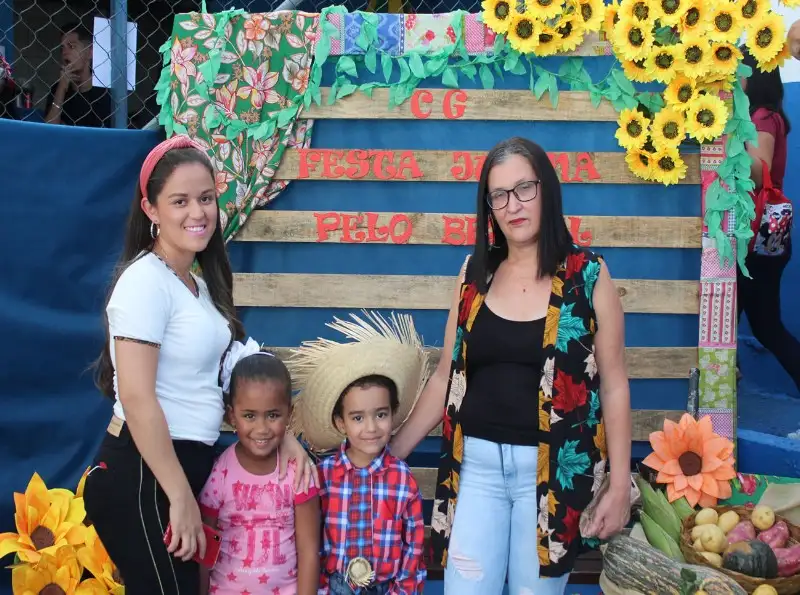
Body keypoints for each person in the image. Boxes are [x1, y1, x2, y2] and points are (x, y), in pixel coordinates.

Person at [389, 137, 633, 594]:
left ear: (547, 190)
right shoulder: (474, 275)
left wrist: (620, 485)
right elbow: (445, 378)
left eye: (524, 189)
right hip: (476, 471)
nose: (512, 205)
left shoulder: (588, 275)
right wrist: (390, 454)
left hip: (550, 479)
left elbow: (614, 384)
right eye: (498, 195)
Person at [82, 135, 313, 595]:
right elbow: (137, 397)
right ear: (151, 210)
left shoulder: (197, 286)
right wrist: (180, 496)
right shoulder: (144, 281)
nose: (198, 212)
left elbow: (232, 369)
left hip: (179, 471)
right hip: (144, 474)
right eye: (180, 201)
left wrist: (285, 436)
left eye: (206, 198)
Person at [288, 311, 428, 595]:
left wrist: (402, 591)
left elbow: (413, 544)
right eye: (358, 418)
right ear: (341, 422)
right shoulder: (324, 476)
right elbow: (311, 539)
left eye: (380, 414)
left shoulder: (402, 479)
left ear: (392, 414)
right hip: (336, 586)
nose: (371, 428)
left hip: (386, 588)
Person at [199, 350, 320, 595]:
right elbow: (204, 550)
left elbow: (309, 551)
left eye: (273, 415)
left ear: (289, 413)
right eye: (249, 416)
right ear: (232, 416)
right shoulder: (221, 472)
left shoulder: (298, 472)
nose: (262, 428)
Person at [738, 49, 800, 395]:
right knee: (749, 324)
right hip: (759, 236)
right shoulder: (767, 116)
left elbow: (759, 171)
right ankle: (724, 387)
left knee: (766, 328)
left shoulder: (762, 118)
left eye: (739, 70)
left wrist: (727, 141)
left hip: (756, 237)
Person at [45, 21, 113, 127]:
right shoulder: (56, 90)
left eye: (71, 46)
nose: (64, 53)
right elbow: (49, 129)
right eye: (62, 48)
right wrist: (61, 89)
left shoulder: (105, 93)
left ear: (90, 52)